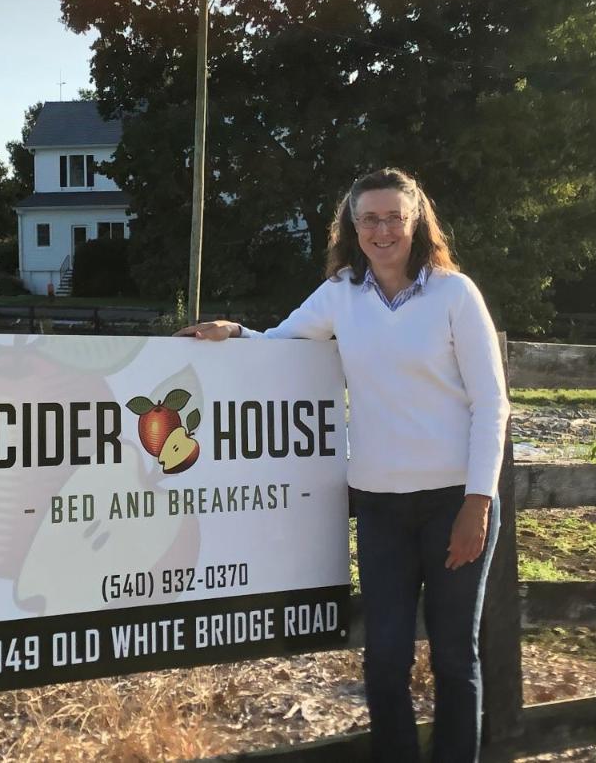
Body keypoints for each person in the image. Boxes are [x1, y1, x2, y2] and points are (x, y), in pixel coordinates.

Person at [176, 168, 509, 763]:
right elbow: (284, 343)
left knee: (456, 655)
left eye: (393, 217)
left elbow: (492, 402)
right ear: (353, 228)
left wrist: (477, 503)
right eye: (368, 219)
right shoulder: (341, 294)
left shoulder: (454, 295)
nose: (382, 230)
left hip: (454, 502)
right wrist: (236, 334)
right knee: (384, 658)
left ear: (416, 221)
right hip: (379, 507)